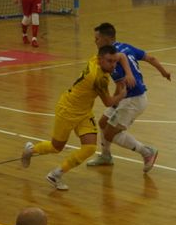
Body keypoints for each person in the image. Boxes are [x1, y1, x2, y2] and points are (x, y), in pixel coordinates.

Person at [20, 45, 134, 190]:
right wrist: (122, 94)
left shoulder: (95, 59)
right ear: (100, 60)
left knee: (90, 147)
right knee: (56, 147)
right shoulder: (98, 78)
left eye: (114, 62)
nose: (113, 65)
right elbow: (108, 102)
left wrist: (126, 72)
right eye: (109, 61)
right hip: (67, 110)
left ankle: (56, 174)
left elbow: (120, 56)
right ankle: (30, 150)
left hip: (84, 111)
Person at [86, 23, 171, 172]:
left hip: (133, 99)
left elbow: (120, 84)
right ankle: (106, 156)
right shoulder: (126, 46)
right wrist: (164, 72)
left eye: (97, 38)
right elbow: (150, 58)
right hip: (130, 97)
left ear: (107, 39)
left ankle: (147, 152)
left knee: (110, 134)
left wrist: (113, 100)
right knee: (103, 122)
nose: (95, 42)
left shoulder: (109, 59)